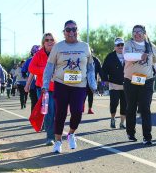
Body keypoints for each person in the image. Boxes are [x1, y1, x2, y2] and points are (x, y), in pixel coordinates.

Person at [43, 20, 97, 153]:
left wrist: (93, 83)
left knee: (77, 112)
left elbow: (90, 67)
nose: (71, 32)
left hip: (80, 85)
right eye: (68, 30)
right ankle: (57, 141)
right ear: (64, 32)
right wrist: (45, 84)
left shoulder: (85, 46)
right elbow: (49, 66)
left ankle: (71, 133)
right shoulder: (58, 47)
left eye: (74, 29)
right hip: (61, 84)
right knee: (60, 113)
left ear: (77, 31)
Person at [123, 25, 156, 146]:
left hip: (147, 81)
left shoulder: (152, 46)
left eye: (139, 32)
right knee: (131, 107)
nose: (137, 34)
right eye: (134, 32)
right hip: (131, 80)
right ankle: (131, 132)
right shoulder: (128, 44)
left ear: (145, 33)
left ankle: (147, 137)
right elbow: (127, 56)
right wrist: (140, 56)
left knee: (145, 108)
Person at [29, 33, 56, 145]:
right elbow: (31, 68)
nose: (49, 41)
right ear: (43, 43)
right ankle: (51, 137)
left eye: (51, 39)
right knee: (49, 111)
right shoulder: (39, 54)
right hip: (44, 89)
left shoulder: (58, 53)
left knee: (57, 112)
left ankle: (54, 132)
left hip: (58, 88)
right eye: (47, 40)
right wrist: (46, 70)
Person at [102, 37, 127, 129]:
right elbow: (104, 70)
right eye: (118, 45)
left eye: (122, 45)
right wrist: (105, 82)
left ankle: (122, 123)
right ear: (115, 46)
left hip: (126, 85)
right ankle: (112, 118)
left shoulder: (128, 55)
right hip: (113, 85)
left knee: (125, 104)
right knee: (114, 103)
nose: (120, 47)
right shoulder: (110, 56)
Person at [83, 49, 104, 114]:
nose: (89, 53)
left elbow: (100, 71)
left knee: (90, 95)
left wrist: (103, 80)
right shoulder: (83, 59)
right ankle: (81, 107)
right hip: (83, 80)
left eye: (90, 52)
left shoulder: (96, 60)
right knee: (82, 95)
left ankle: (90, 109)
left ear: (92, 52)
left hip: (92, 81)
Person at [23, 45, 40, 112]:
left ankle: (42, 119)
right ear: (32, 52)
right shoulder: (29, 61)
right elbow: (23, 71)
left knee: (42, 103)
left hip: (42, 85)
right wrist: (27, 78)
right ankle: (34, 119)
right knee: (34, 102)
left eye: (38, 52)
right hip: (32, 85)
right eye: (35, 52)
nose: (36, 53)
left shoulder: (44, 59)